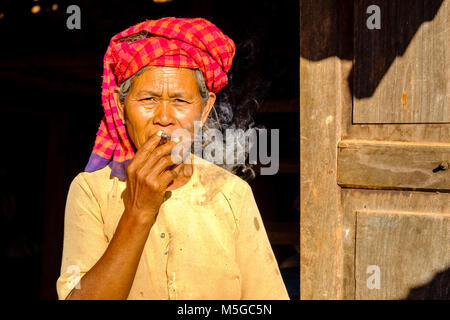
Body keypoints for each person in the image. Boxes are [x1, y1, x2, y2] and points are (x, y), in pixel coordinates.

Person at [56, 17, 289, 300]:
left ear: (205, 110)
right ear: (120, 105)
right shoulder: (92, 191)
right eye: (148, 100)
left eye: (180, 101)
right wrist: (138, 211)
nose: (164, 118)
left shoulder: (232, 194)